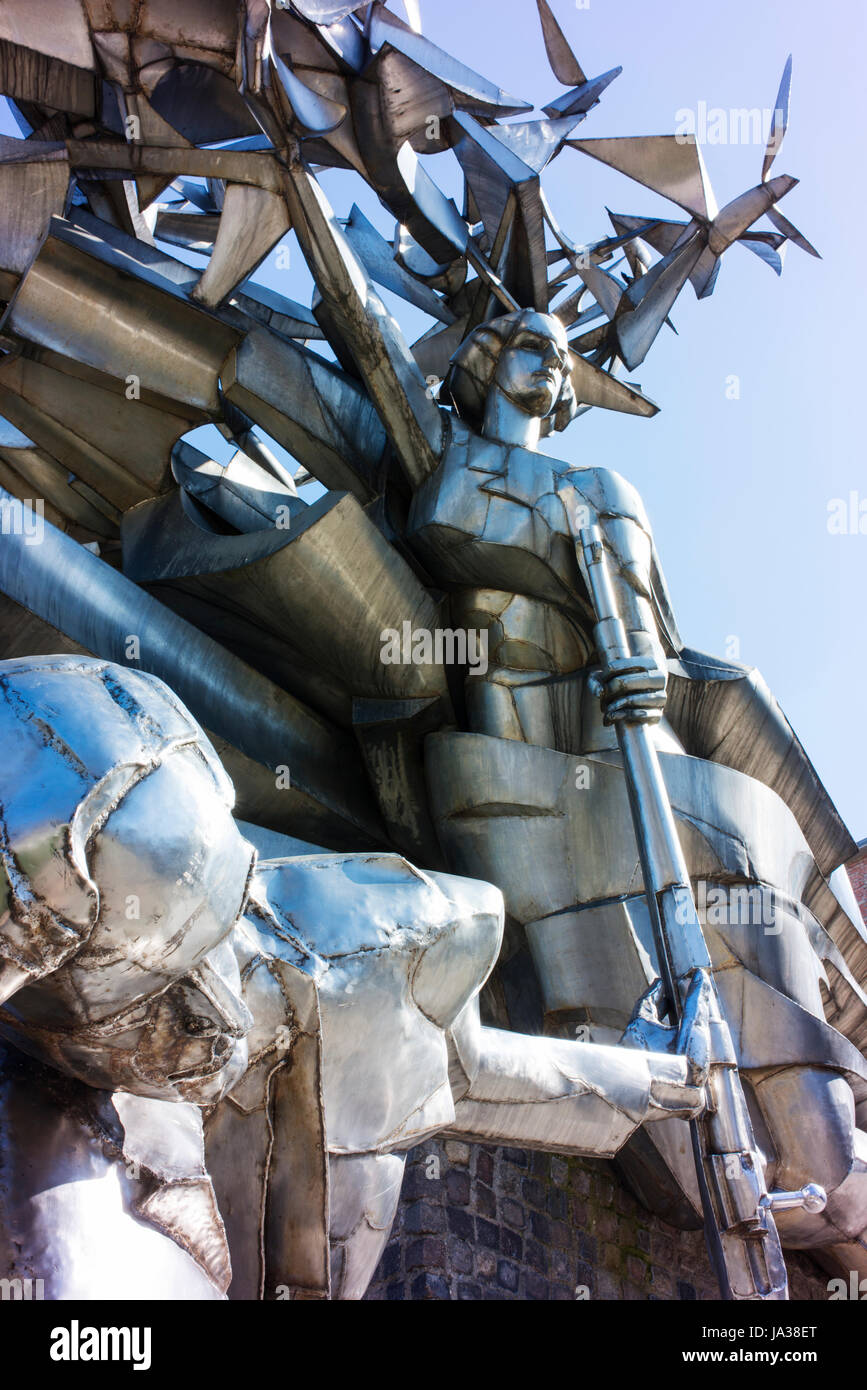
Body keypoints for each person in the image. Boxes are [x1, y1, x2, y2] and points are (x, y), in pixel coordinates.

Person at [281, 159, 867, 1279]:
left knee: (791, 1155)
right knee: (604, 1040)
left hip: (600, 766)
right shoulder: (442, 462)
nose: (547, 359)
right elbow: (372, 366)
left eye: (560, 352)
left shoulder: (600, 491)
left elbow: (638, 646)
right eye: (527, 343)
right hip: (489, 765)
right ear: (491, 362)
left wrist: (637, 672)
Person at [0, 656, 708, 1300]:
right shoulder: (56, 821)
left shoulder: (317, 947)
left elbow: (464, 1071)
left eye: (218, 942)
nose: (218, 1020)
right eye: (171, 994)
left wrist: (655, 1078)